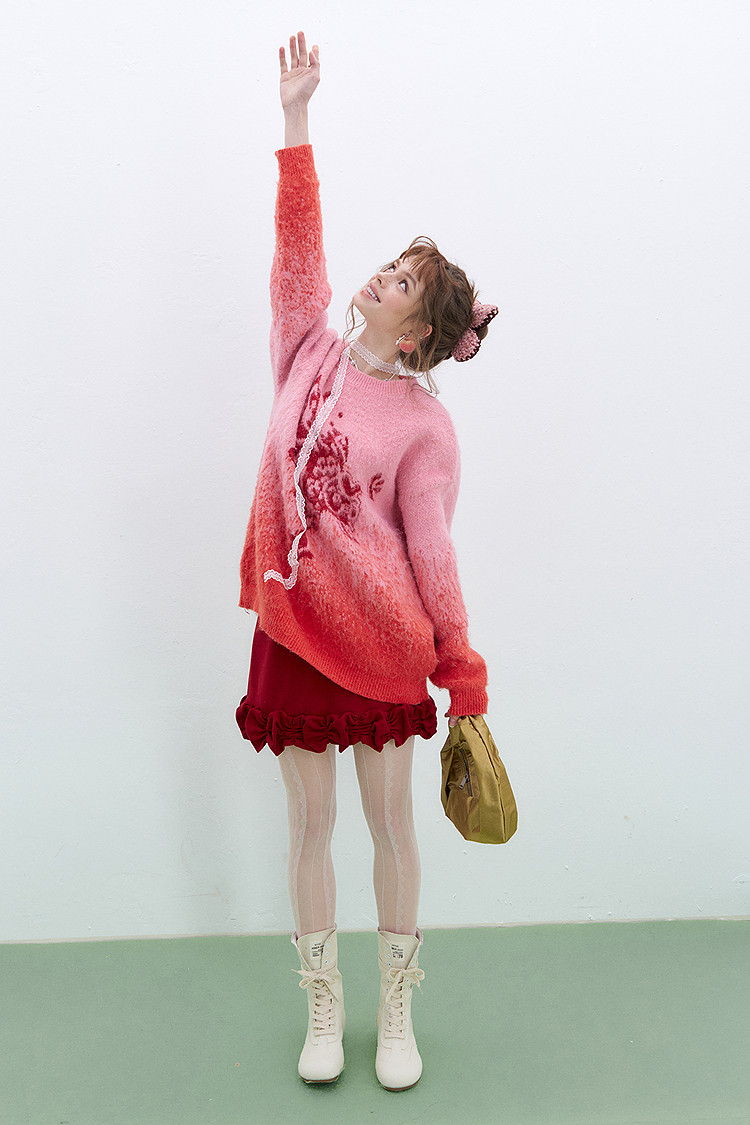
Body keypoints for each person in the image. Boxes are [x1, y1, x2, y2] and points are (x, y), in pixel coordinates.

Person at [235, 31, 497, 1092]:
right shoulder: (304, 348)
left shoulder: (427, 427)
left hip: (385, 651)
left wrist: (459, 663)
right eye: (392, 262)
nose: (382, 273)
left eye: (404, 281)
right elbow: (297, 247)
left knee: (391, 826)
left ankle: (395, 1006)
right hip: (294, 628)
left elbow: (432, 552)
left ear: (419, 332)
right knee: (311, 825)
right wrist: (296, 119)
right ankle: (323, 1004)